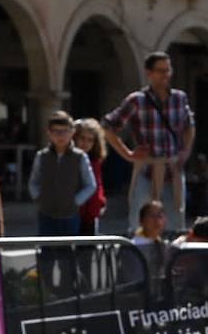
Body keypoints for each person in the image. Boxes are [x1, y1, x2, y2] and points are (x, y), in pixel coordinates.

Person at [104, 51, 195, 233]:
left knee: (175, 224)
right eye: (160, 70)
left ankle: (170, 259)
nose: (165, 75)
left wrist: (186, 151)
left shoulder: (179, 98)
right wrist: (128, 154)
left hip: (173, 170)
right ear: (149, 73)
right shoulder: (137, 100)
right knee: (140, 224)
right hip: (147, 171)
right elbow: (108, 126)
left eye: (168, 70)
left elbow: (189, 125)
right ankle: (141, 258)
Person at [28, 112, 96, 236]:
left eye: (65, 131)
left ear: (72, 132)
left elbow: (90, 185)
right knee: (47, 251)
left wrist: (75, 201)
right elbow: (34, 181)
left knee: (67, 252)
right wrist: (38, 197)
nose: (61, 136)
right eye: (56, 131)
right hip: (46, 214)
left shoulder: (80, 157)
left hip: (70, 215)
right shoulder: (41, 156)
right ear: (49, 133)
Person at [74, 117, 108, 235]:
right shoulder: (70, 159)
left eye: (90, 140)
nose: (85, 143)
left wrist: (101, 202)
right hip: (73, 213)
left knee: (87, 250)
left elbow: (98, 185)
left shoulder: (95, 161)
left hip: (91, 215)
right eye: (82, 138)